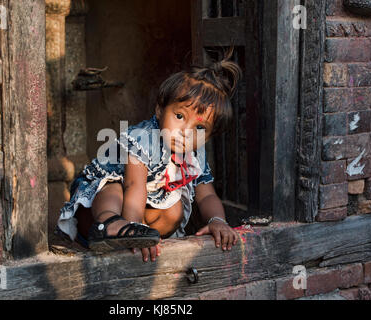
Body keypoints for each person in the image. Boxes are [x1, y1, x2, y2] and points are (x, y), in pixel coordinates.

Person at [56, 50, 242, 263]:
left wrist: (218, 220)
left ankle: (143, 237)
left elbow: (206, 195)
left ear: (209, 137)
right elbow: (134, 187)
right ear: (160, 110)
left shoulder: (194, 156)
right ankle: (114, 226)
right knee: (113, 186)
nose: (186, 132)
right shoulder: (143, 139)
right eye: (180, 116)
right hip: (96, 215)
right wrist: (134, 228)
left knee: (175, 209)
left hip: (138, 213)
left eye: (199, 127)